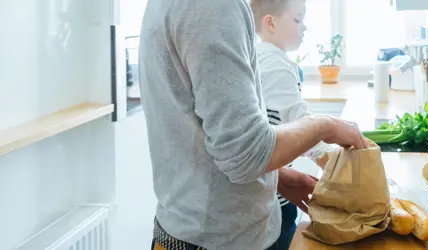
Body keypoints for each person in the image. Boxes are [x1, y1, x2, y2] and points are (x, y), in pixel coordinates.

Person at [138, 0, 368, 249]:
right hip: (216, 241)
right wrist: (326, 125)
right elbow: (246, 154)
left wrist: (273, 176)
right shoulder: (213, 6)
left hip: (191, 232)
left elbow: (209, 130)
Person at [249, 0, 338, 249]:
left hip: (270, 183)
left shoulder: (256, 56)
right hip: (275, 198)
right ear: (270, 22)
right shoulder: (275, 64)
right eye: (298, 20)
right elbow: (301, 123)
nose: (304, 28)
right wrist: (336, 165)